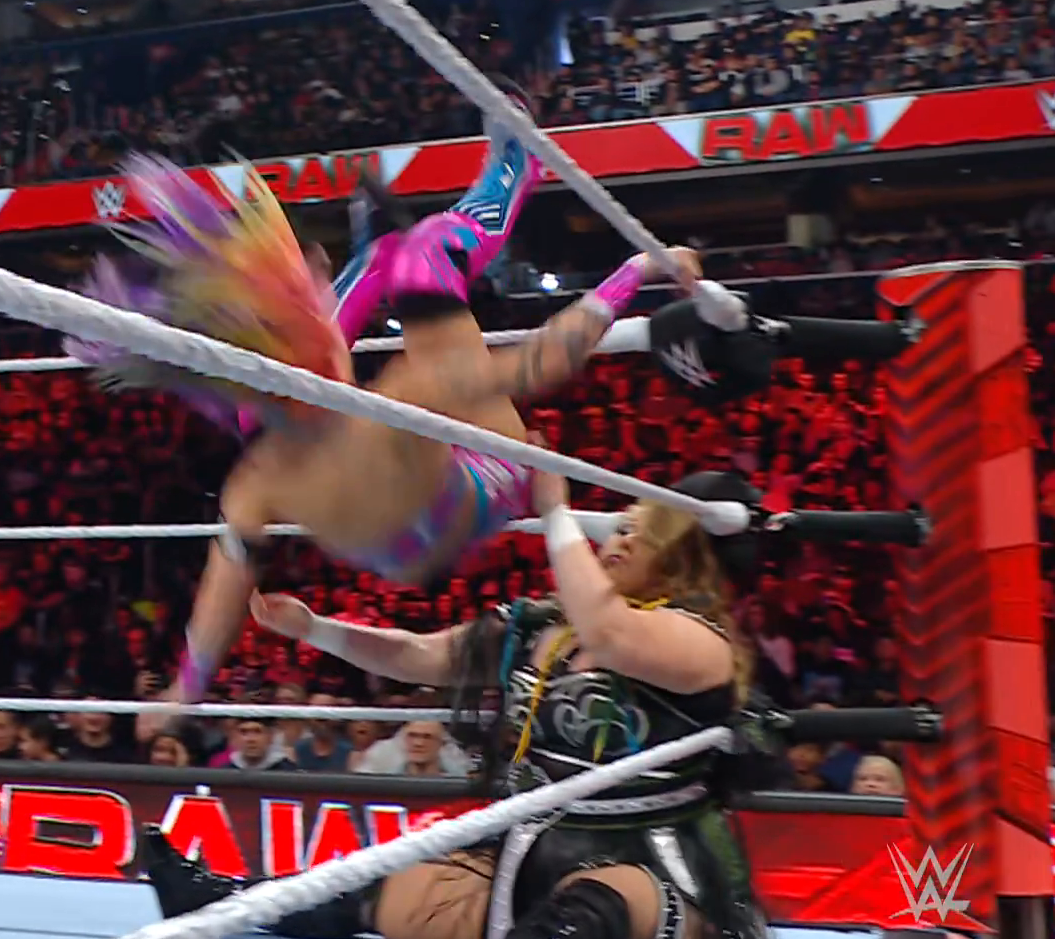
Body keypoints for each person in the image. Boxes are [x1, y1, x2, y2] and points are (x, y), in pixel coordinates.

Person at [67, 92, 710, 707]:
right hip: (488, 479)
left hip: (410, 536)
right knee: (424, 258)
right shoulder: (397, 401)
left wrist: (186, 687)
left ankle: (373, 257)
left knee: (294, 363)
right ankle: (511, 168)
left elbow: (219, 594)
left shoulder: (255, 479)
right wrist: (638, 270)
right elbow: (547, 359)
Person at [136, 469, 771, 939]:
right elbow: (420, 655)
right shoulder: (546, 630)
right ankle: (216, 899)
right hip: (531, 855)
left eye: (642, 534)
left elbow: (613, 632)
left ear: (682, 560)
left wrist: (555, 513)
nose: (619, 540)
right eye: (619, 527)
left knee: (598, 902)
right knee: (379, 888)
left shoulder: (700, 642)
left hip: (653, 872)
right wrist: (317, 630)